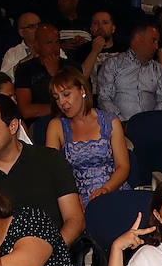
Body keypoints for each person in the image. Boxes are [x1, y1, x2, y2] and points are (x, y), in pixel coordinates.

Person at [0, 93, 85, 247]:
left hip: (52, 256)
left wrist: (52, 253)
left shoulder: (50, 160)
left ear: (13, 126)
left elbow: (75, 219)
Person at [45, 67, 129, 208]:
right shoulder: (56, 126)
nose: (62, 103)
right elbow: (52, 172)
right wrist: (71, 198)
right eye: (57, 98)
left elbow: (123, 167)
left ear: (82, 91)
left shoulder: (110, 121)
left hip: (113, 191)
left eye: (66, 94)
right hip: (76, 199)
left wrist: (106, 189)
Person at [96, 21, 162, 121]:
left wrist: (152, 121)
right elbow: (104, 98)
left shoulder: (159, 70)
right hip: (118, 127)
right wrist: (120, 122)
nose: (156, 47)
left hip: (151, 128)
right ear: (138, 38)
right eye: (153, 41)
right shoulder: (112, 64)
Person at [13, 23, 71, 121]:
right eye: (49, 43)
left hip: (69, 121)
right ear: (36, 45)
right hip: (38, 124)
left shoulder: (72, 67)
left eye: (57, 42)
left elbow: (79, 102)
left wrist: (55, 73)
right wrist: (62, 108)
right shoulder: (24, 69)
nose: (54, 47)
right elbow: (26, 111)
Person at [0, 11, 41, 80]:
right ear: (21, 32)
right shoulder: (12, 53)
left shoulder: (52, 46)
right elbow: (4, 78)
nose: (38, 29)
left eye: (39, 25)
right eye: (32, 26)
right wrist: (29, 58)